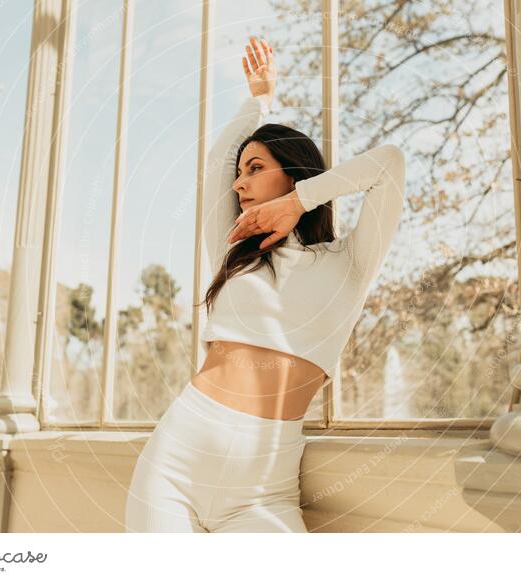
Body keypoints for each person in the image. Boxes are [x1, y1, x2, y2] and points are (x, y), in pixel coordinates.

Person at [125, 36, 406, 533]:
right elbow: (217, 163)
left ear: (295, 174)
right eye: (241, 174)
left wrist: (299, 201)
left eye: (255, 169)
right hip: (177, 459)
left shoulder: (351, 262)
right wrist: (258, 101)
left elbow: (390, 164)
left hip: (264, 491)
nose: (239, 183)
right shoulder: (234, 251)